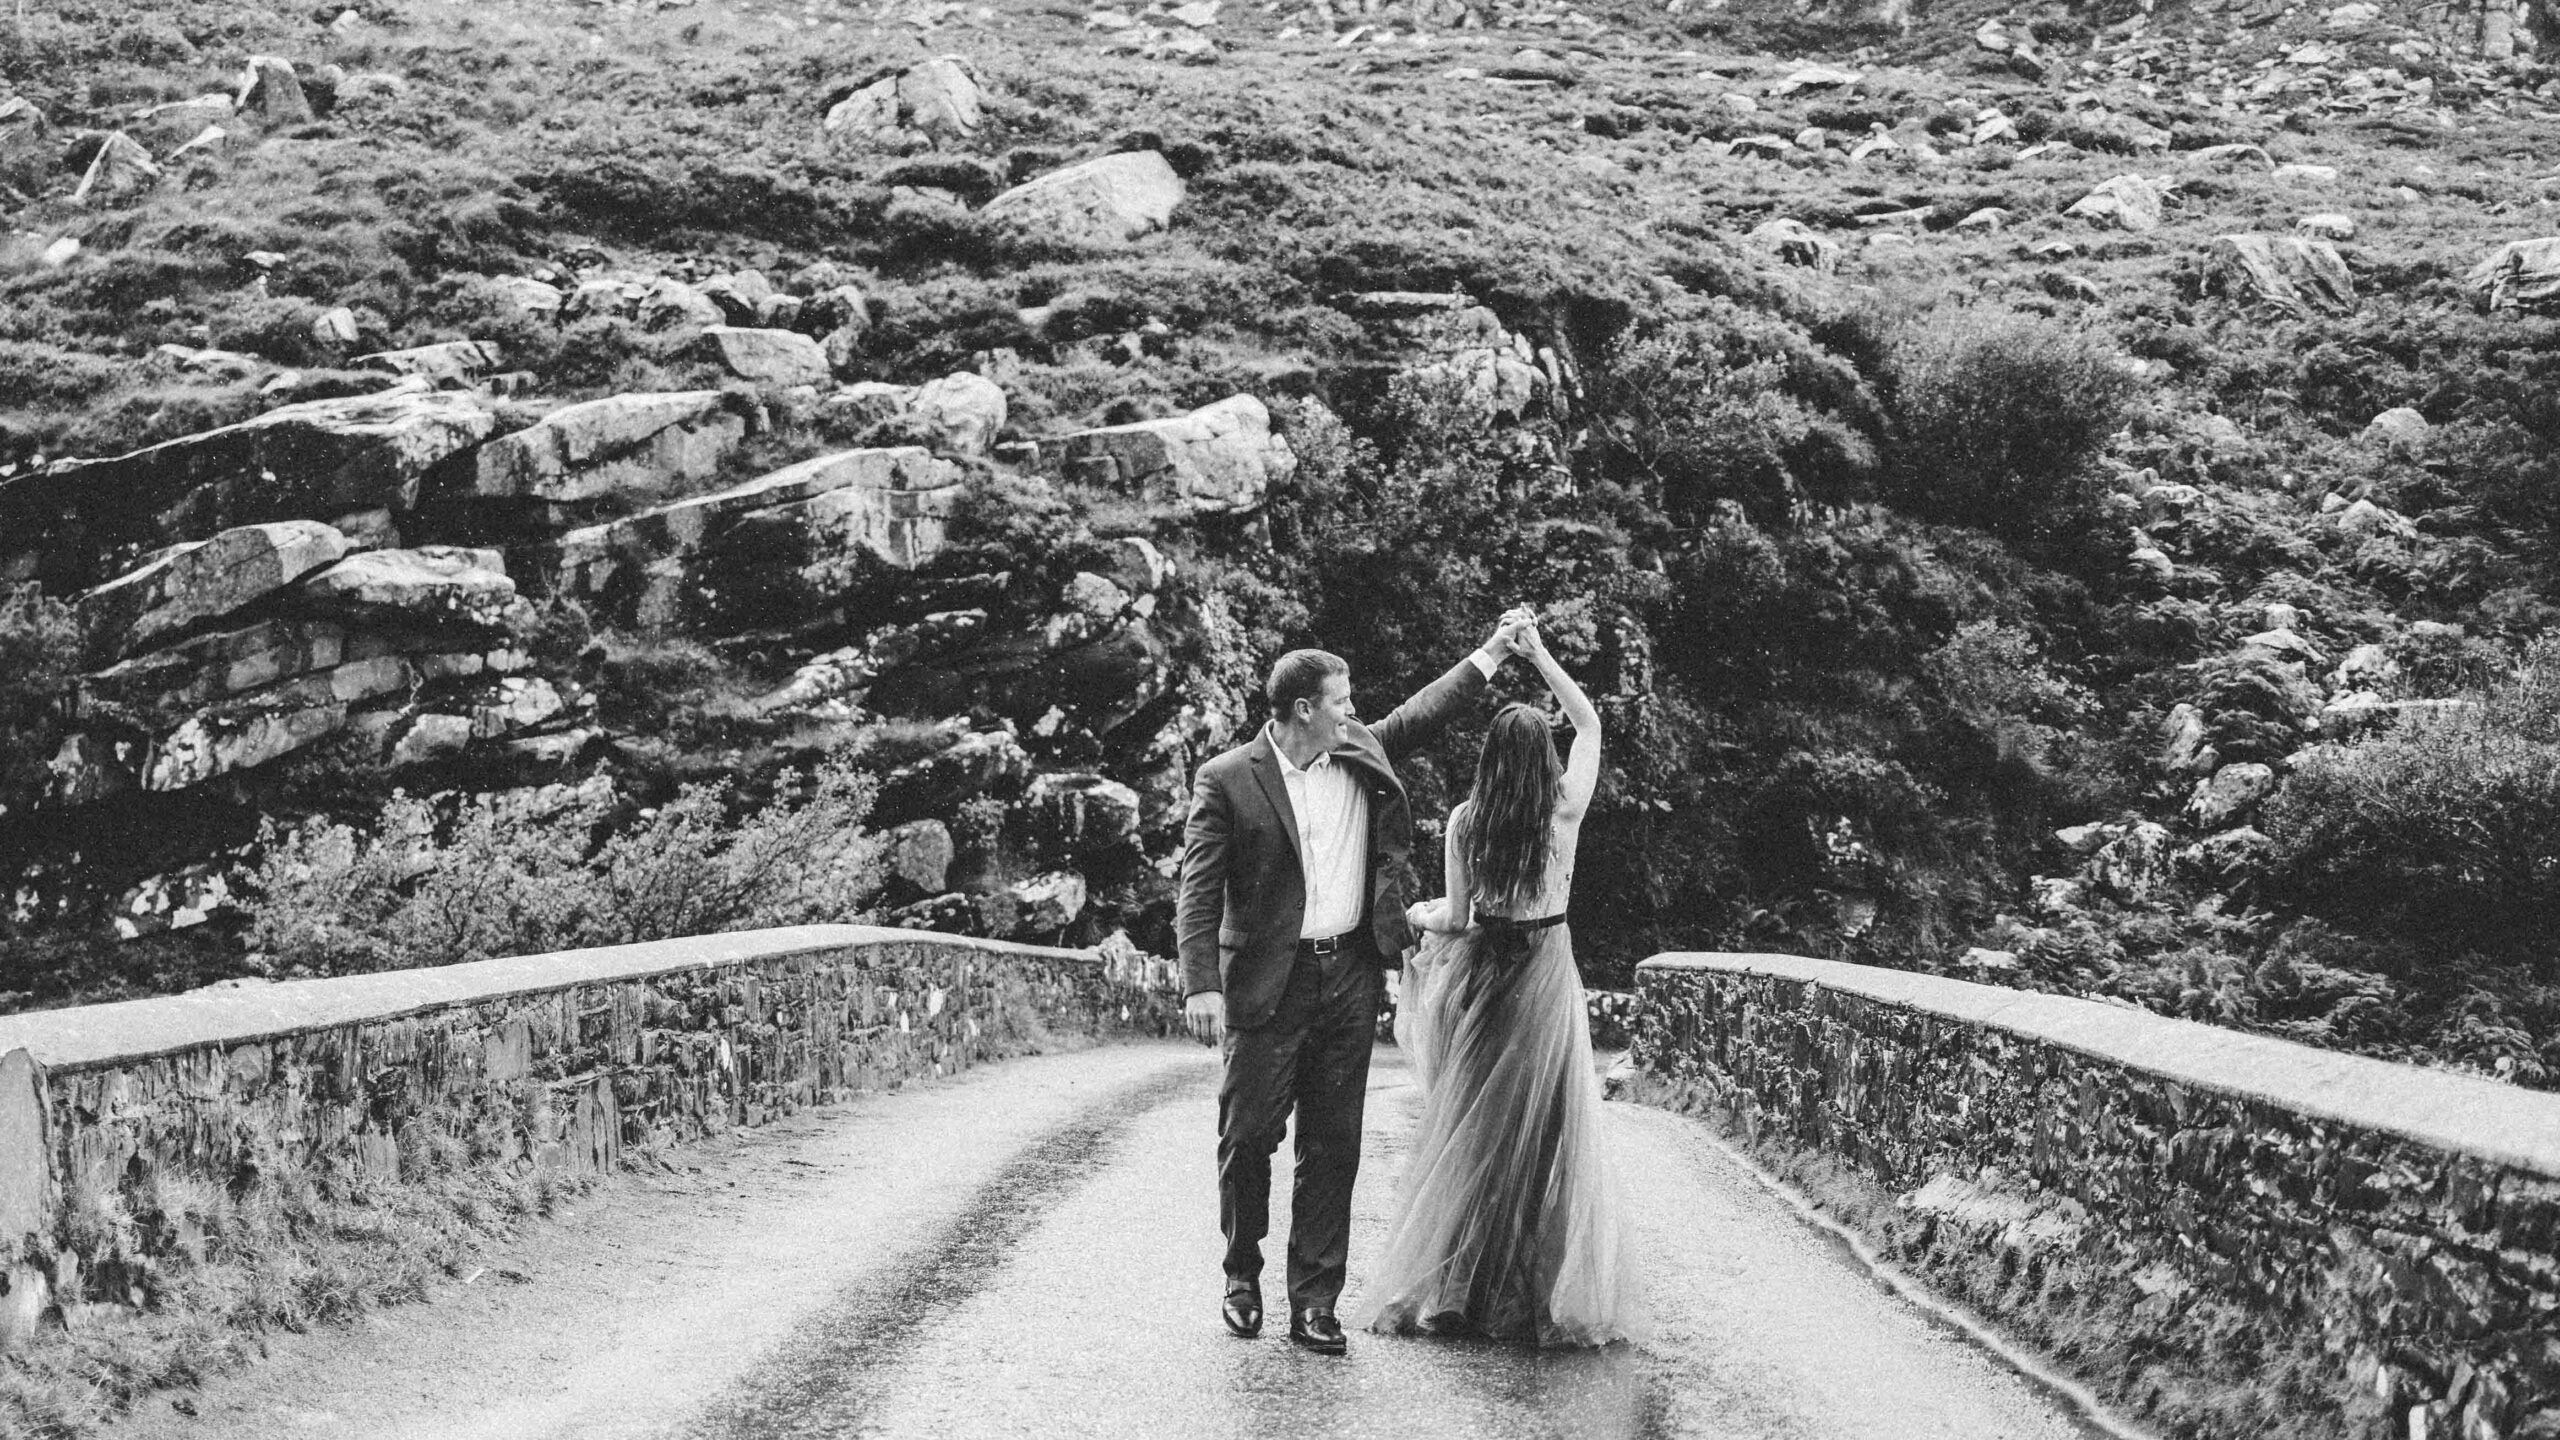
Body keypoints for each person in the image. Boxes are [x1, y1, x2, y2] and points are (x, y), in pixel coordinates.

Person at [1177, 608, 1535, 1356]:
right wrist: (1200, 983)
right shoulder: (1227, 782)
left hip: (1349, 973)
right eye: (1341, 699)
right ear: (1304, 709)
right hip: (1263, 983)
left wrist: (1495, 651)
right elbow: (1199, 890)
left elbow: (1426, 711)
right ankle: (1242, 1273)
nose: (1354, 710)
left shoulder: (1357, 747)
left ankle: (1315, 1303)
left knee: (1333, 1147)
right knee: (1248, 1139)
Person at [1361, 618, 1647, 1348]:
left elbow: (1456, 919)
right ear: (1542, 756)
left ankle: (1458, 1289)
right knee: (1548, 1133)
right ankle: (1530, 1287)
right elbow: (1588, 722)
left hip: (1489, 978)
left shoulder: (1467, 821)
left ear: (1490, 759)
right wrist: (1539, 651)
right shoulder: (1565, 811)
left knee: (1474, 1131)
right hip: (1548, 975)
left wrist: (1420, 911)